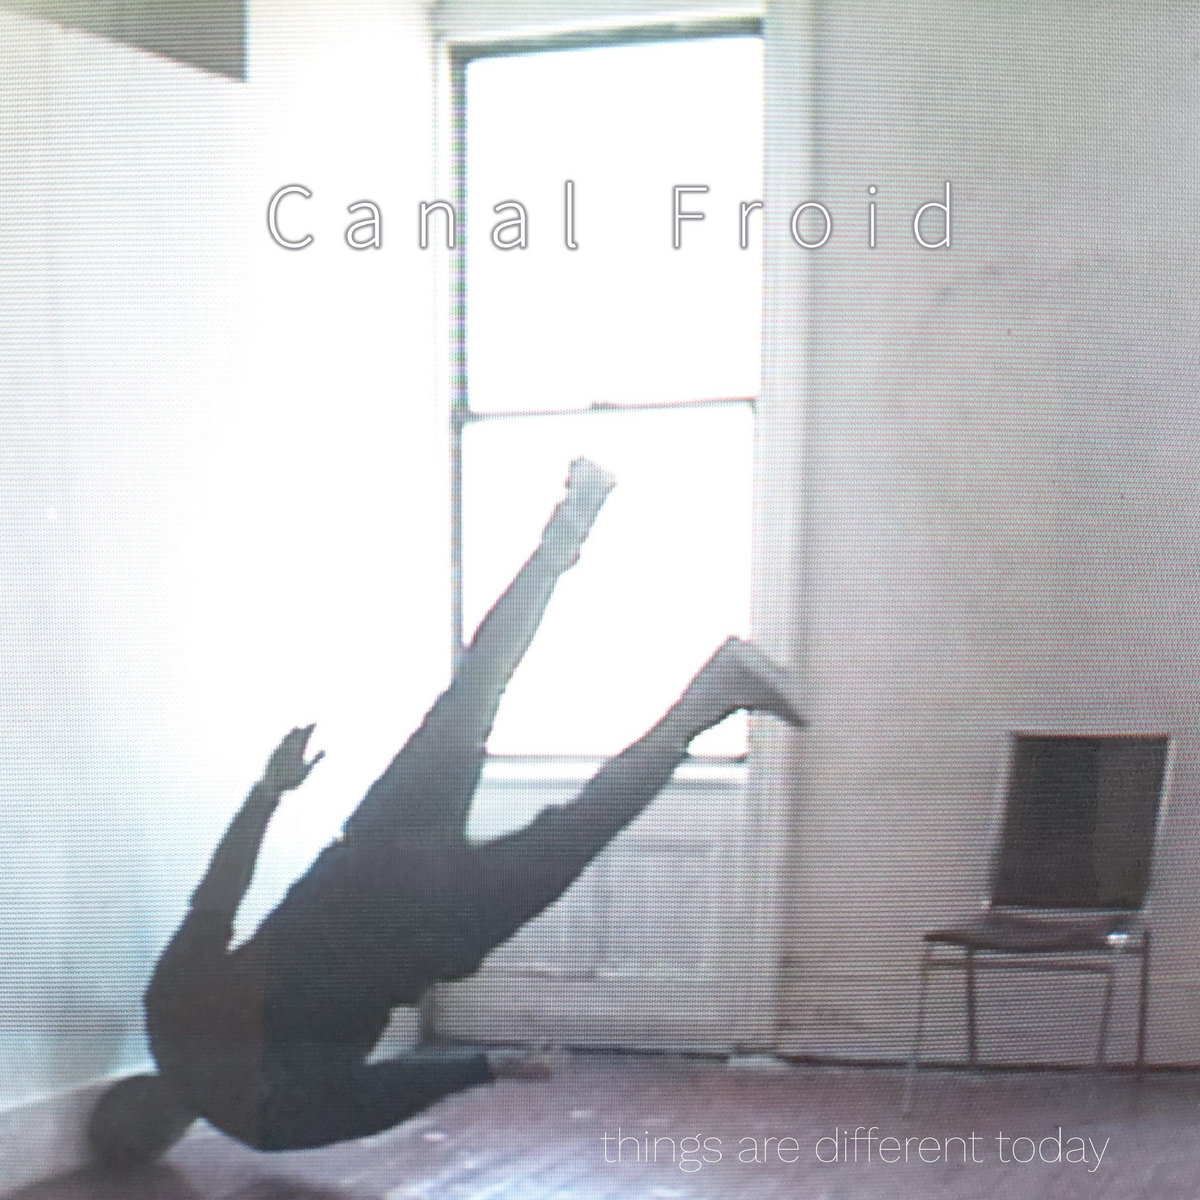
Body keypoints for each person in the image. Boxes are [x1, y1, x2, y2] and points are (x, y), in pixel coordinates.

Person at [88, 459, 805, 1167]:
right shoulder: (166, 1013)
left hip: (433, 926)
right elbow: (220, 889)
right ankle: (576, 513)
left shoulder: (261, 1121)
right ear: (129, 1089)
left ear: (164, 1140)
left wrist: (482, 1067)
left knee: (584, 824)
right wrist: (269, 790)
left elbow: (376, 1095)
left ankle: (716, 691)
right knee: (477, 691)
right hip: (368, 855)